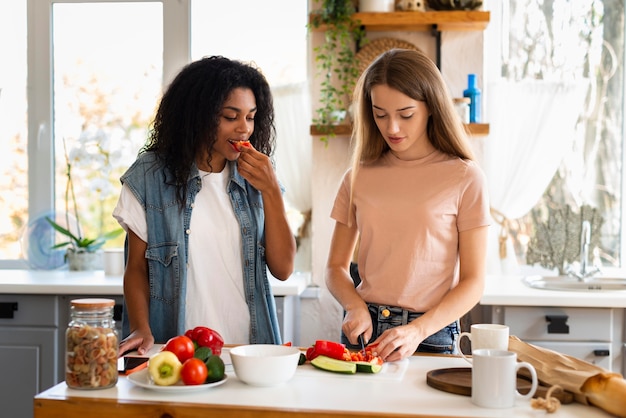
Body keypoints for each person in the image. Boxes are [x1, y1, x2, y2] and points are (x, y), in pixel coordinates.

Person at [113, 56, 297, 356]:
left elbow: (284, 268)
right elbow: (136, 268)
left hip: (248, 350)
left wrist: (271, 190)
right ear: (197, 115)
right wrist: (140, 328)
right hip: (174, 349)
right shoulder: (149, 176)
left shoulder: (258, 177)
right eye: (230, 116)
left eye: (250, 117)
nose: (244, 129)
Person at [325, 48, 490, 362]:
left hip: (431, 335)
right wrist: (354, 306)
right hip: (364, 333)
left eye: (406, 114)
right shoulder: (357, 177)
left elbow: (473, 281)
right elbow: (335, 268)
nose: (392, 128)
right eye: (380, 114)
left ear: (431, 107)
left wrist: (417, 330)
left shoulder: (466, 178)